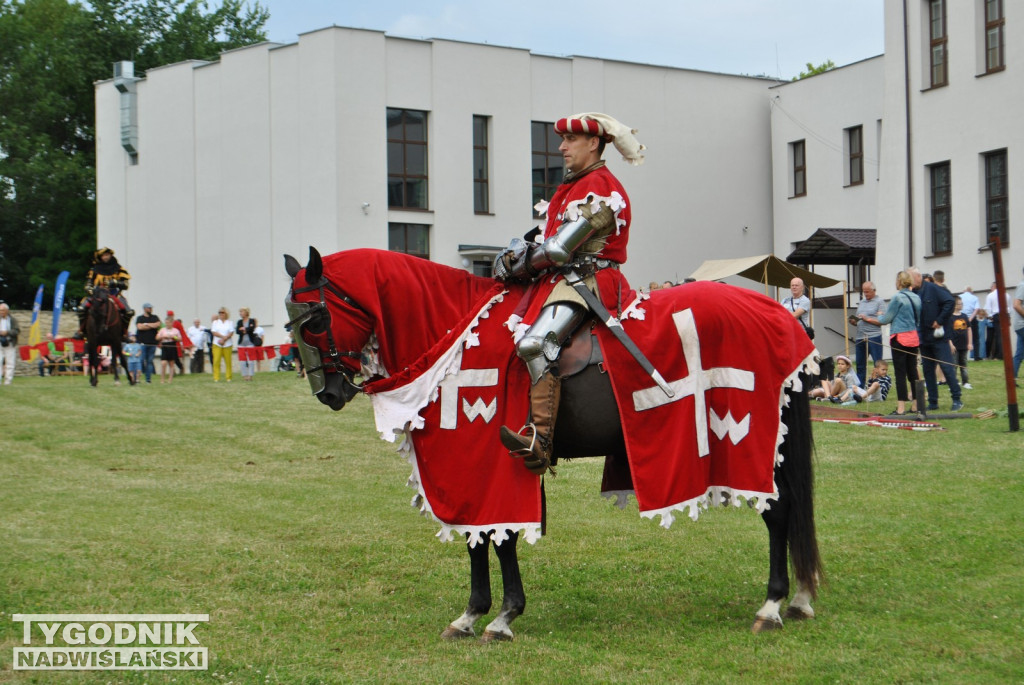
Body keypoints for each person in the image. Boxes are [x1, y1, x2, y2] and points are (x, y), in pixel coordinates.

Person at [493, 112, 644, 475]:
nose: (561, 147)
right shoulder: (573, 185)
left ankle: (540, 441)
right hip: (562, 279)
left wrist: (516, 264)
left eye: (570, 140)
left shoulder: (603, 188)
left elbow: (560, 249)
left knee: (535, 343)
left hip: (590, 282)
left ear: (593, 143)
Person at [910, 267, 963, 412]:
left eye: (911, 279)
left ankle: (957, 398)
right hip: (923, 338)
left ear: (918, 277)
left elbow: (949, 302)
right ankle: (933, 402)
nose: (909, 282)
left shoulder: (933, 289)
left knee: (946, 367)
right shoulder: (913, 292)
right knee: (928, 370)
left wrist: (939, 320)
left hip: (938, 337)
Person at [877, 271, 922, 416]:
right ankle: (916, 405)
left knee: (900, 374)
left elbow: (885, 320)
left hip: (899, 339)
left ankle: (901, 408)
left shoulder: (897, 298)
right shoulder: (917, 298)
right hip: (913, 337)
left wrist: (879, 316)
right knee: (913, 372)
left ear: (899, 282)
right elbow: (918, 319)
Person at [79, 247, 133, 336]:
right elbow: (88, 284)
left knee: (128, 312)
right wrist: (90, 289)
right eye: (103, 256)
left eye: (107, 255)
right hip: (97, 295)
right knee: (81, 309)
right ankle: (82, 331)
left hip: (114, 294)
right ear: (100, 257)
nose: (105, 257)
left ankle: (124, 333)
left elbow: (126, 285)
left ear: (110, 255)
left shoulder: (119, 269)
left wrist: (115, 282)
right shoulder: (94, 270)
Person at [850, 281, 886, 385]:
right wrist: (854, 321)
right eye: (864, 292)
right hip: (860, 337)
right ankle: (860, 388)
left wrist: (868, 319)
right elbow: (858, 320)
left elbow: (882, 321)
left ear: (874, 291)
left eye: (867, 292)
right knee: (860, 364)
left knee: (877, 363)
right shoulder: (861, 302)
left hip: (874, 336)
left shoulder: (880, 302)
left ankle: (880, 386)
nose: (865, 294)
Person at [949, 297, 972, 389]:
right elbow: (948, 332)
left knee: (963, 363)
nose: (961, 305)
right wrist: (951, 344)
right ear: (954, 305)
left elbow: (969, 329)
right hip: (954, 345)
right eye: (959, 303)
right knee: (954, 364)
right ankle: (953, 383)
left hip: (964, 344)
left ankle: (965, 381)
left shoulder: (965, 316)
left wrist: (970, 343)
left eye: (962, 303)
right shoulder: (950, 317)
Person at [134, 303, 161, 383]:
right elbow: (139, 327)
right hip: (142, 344)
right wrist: (151, 326)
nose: (151, 309)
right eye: (149, 308)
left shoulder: (155, 317)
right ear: (145, 309)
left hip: (152, 343)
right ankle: (139, 376)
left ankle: (148, 379)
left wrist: (146, 324)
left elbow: (157, 325)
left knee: (149, 361)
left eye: (151, 308)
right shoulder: (140, 318)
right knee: (141, 360)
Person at [210, 307, 234, 382]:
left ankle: (228, 377)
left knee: (228, 361)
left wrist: (225, 338)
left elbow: (231, 332)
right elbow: (214, 332)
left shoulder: (230, 322)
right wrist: (222, 337)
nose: (221, 314)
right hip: (217, 344)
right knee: (216, 361)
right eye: (219, 313)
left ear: (226, 313)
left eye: (222, 312)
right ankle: (216, 377)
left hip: (227, 344)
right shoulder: (215, 322)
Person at [236, 307, 259, 381]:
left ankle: (250, 376)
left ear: (246, 312)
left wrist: (244, 329)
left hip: (250, 343)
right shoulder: (239, 322)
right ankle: (245, 376)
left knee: (250, 361)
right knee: (242, 361)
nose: (240, 313)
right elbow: (237, 331)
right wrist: (245, 330)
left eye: (242, 311)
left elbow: (252, 329)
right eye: (240, 312)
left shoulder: (252, 320)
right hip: (241, 344)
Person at [0, 303, 21, 385]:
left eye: (2, 310)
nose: (1, 312)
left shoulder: (12, 320)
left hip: (9, 343)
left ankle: (8, 381)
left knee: (10, 362)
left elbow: (17, 330)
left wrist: (7, 332)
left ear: (7, 311)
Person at [156, 315, 181, 383]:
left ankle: (170, 379)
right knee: (163, 363)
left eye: (168, 322)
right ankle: (162, 379)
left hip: (172, 345)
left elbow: (179, 339)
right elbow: (157, 338)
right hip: (164, 345)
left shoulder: (175, 330)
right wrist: (162, 336)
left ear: (171, 323)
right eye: (166, 322)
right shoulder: (162, 330)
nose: (167, 324)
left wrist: (174, 337)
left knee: (171, 363)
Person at [958, 286, 980, 361]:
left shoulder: (960, 297)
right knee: (975, 338)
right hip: (972, 318)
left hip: (960, 318)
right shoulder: (974, 297)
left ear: (964, 291)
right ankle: (976, 356)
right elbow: (976, 309)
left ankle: (962, 356)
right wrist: (970, 318)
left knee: (961, 336)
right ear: (971, 291)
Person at [1013, 266, 1024, 381]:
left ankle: (1012, 378)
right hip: (1022, 324)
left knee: (1019, 353)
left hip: (1020, 325)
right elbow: (1016, 305)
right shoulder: (1023, 286)